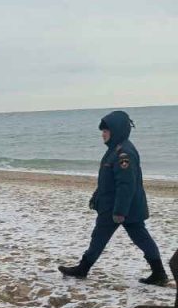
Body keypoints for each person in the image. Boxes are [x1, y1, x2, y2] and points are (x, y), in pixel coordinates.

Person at [59, 111, 169, 286]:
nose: (103, 134)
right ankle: (159, 273)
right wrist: (96, 196)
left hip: (118, 208)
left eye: (106, 130)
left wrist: (119, 211)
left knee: (103, 237)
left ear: (116, 130)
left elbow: (126, 185)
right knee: (139, 238)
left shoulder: (123, 153)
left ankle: (82, 269)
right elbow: (108, 181)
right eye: (102, 131)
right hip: (123, 207)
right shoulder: (114, 150)